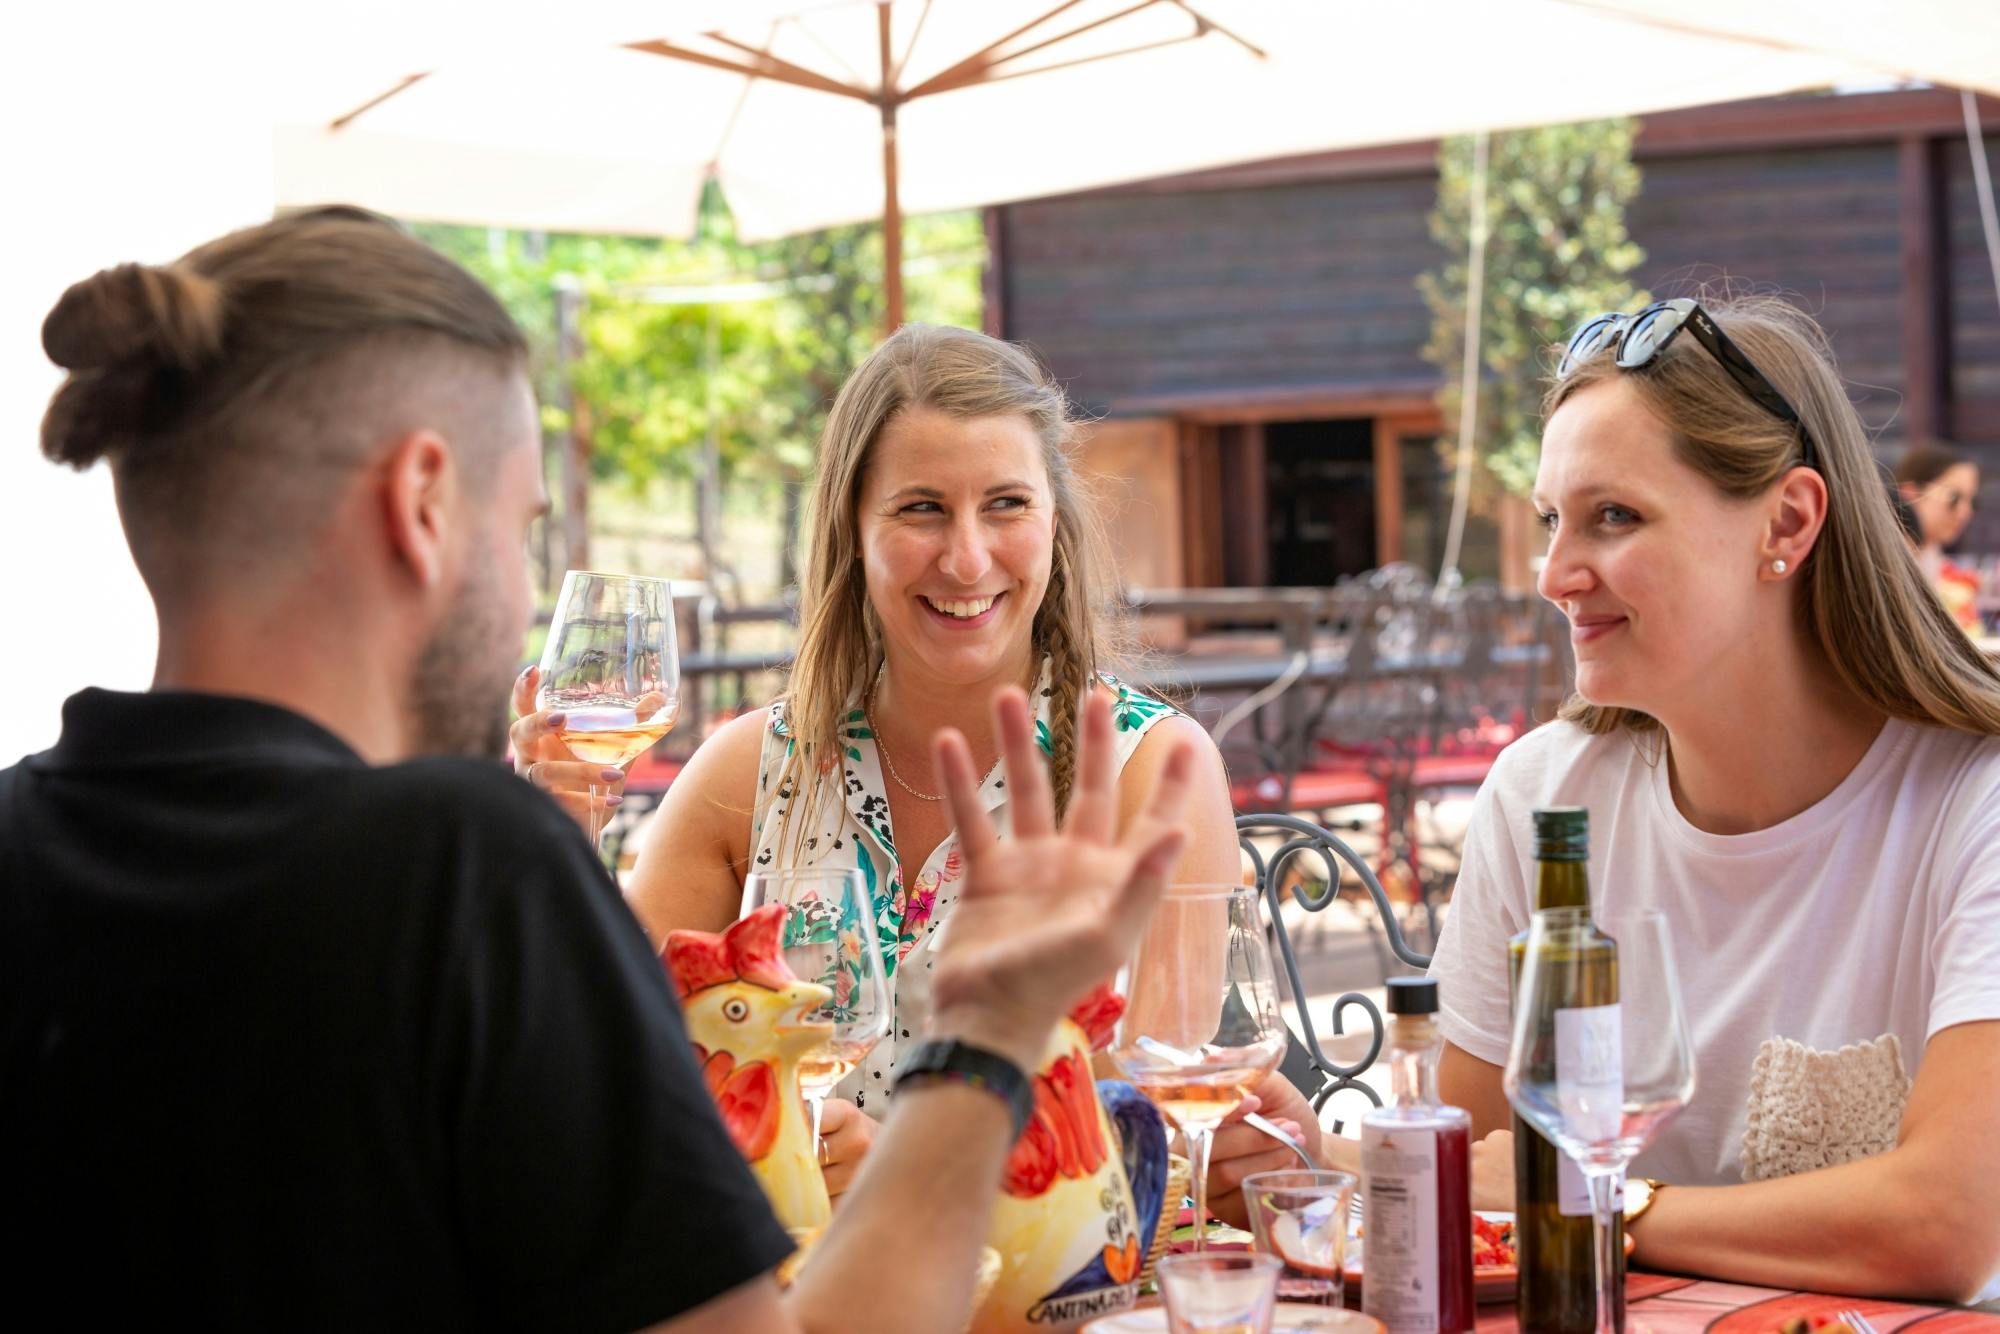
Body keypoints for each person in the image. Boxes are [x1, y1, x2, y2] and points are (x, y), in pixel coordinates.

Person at [0, 207, 1207, 1333]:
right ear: (423, 501)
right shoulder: (458, 858)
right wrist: (984, 1039)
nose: (529, 592)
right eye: (525, 524)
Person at [515, 322, 1328, 1223]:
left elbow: (1146, 1147)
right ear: (852, 529)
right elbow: (606, 1087)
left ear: (1055, 522)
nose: (968, 558)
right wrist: (557, 830)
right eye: (921, 509)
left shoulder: (1151, 768)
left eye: (1007, 504)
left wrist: (902, 1180)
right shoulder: (747, 772)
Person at [1429, 295, 2000, 1302]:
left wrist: (1604, 1201)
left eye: (1613, 515)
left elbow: (1945, 1224)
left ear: (1784, 522)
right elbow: (1470, 1182)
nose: (1556, 573)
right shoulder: (1540, 795)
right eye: (1550, 520)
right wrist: (1311, 1152)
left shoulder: (1971, 802)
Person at [1896, 440, 1985, 632]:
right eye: (1953, 497)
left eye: (1972, 501)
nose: (1965, 512)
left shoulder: (1954, 578)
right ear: (1910, 493)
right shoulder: (1881, 566)